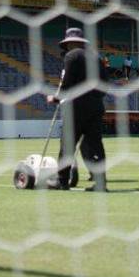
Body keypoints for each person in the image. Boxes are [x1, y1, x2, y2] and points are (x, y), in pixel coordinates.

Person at [47, 27, 108, 192]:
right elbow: (105, 84)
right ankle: (101, 183)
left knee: (67, 144)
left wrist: (56, 98)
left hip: (76, 107)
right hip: (96, 106)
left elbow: (66, 82)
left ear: (70, 43)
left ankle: (62, 181)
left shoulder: (72, 55)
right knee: (95, 144)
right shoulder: (97, 57)